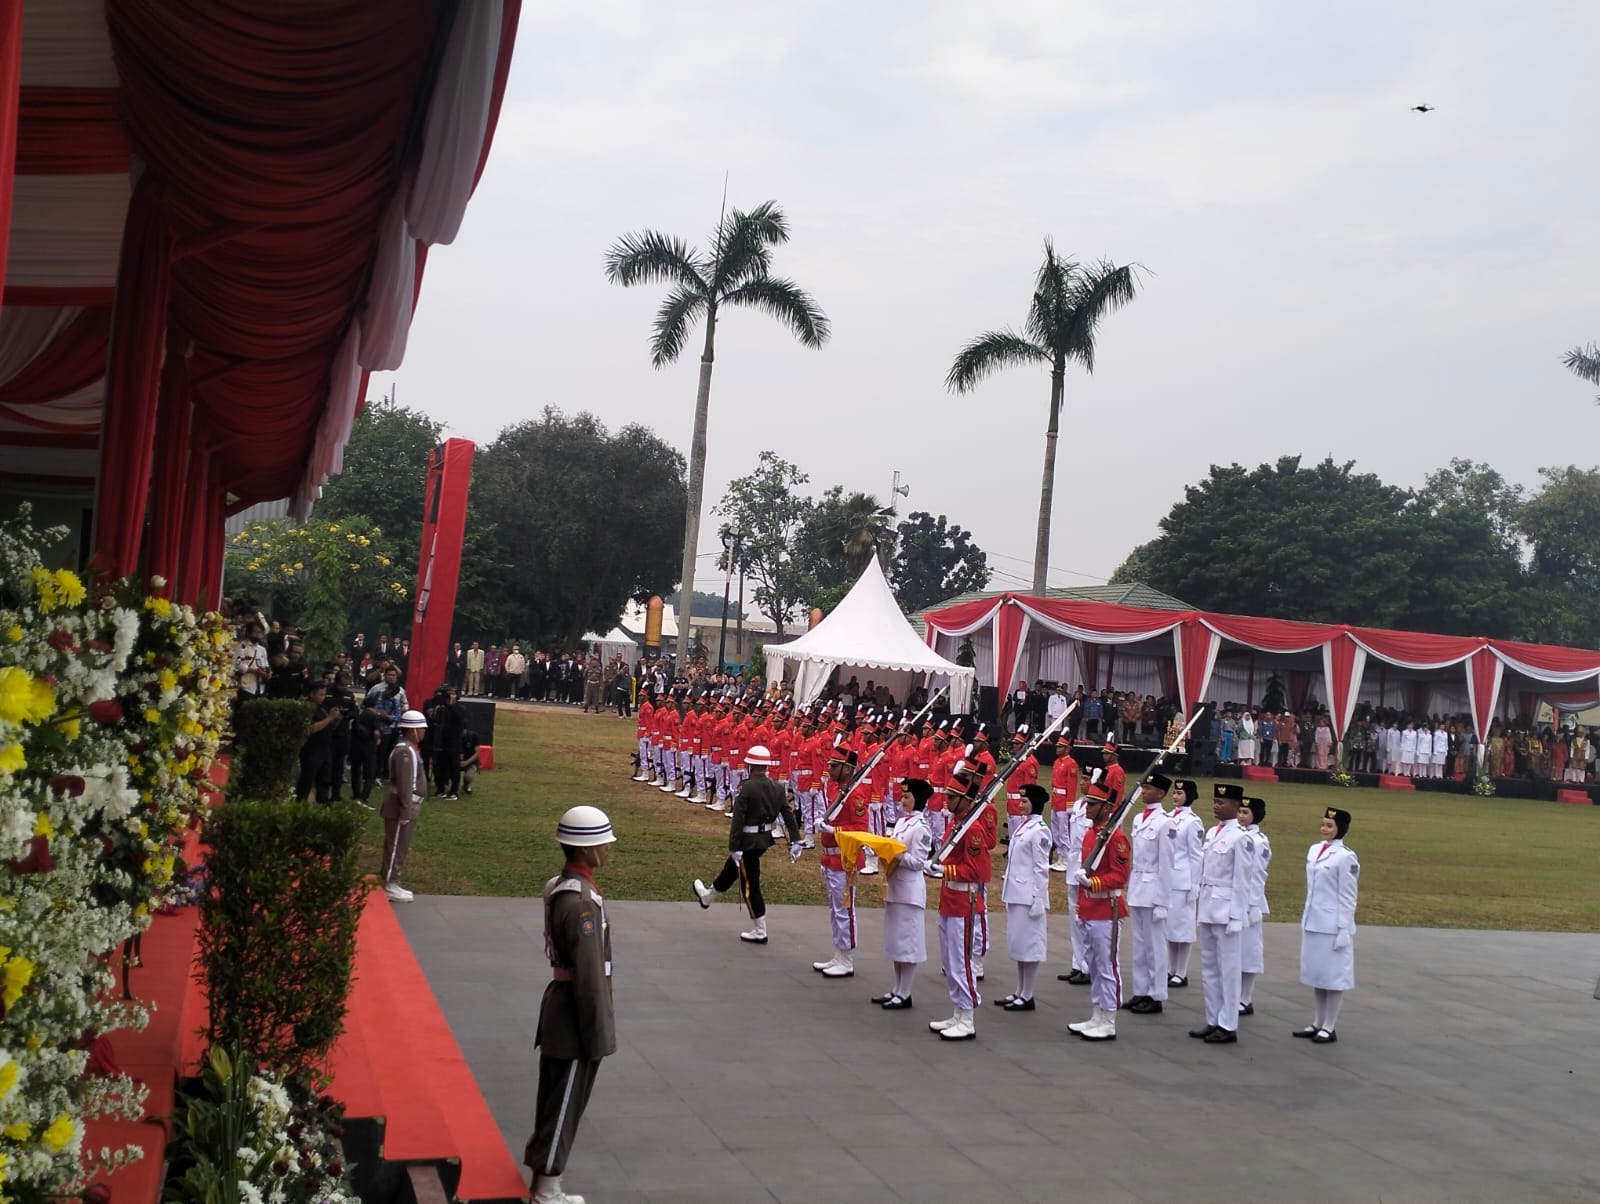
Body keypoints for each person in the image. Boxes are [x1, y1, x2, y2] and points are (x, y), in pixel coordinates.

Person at [524, 805, 617, 1204]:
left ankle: (544, 1176)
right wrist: (599, 1031)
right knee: (564, 1100)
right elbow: (590, 975)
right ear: (588, 850)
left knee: (556, 1095)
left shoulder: (565, 887)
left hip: (561, 1004)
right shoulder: (580, 902)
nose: (607, 851)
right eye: (602, 845)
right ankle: (547, 1186)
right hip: (575, 1012)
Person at [693, 744, 801, 944]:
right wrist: (795, 840)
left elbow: (738, 820)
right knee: (732, 870)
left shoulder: (746, 787)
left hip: (747, 842)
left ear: (750, 765)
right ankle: (708, 896)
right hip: (763, 840)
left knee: (750, 884)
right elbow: (788, 815)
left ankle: (760, 930)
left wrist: (734, 847)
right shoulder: (778, 787)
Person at [928, 757, 996, 1041]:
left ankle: (967, 1017)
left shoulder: (973, 830)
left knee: (961, 961)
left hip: (964, 903)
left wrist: (945, 869)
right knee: (949, 958)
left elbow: (979, 870)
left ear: (964, 800)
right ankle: (957, 1011)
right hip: (950, 898)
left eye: (952, 797)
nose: (946, 800)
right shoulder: (957, 824)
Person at [1065, 777, 1131, 1041]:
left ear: (1107, 807)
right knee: (1093, 963)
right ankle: (1097, 1014)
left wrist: (1093, 882)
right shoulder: (1092, 833)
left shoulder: (1116, 837)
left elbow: (1120, 875)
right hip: (1090, 905)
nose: (1087, 808)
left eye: (1093, 804)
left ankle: (1109, 1018)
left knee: (1107, 964)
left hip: (1108, 907)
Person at [1189, 783, 1255, 1045]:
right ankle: (1213, 1018)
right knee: (1209, 967)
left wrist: (1238, 916)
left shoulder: (1241, 838)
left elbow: (1242, 880)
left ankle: (1228, 1024)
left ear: (1237, 806)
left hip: (1227, 910)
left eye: (1222, 802)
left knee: (1228, 969)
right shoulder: (1212, 833)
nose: (1217, 806)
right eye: (1215, 801)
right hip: (1208, 906)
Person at [1297, 806, 1359, 1045]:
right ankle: (1317, 1021)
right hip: (1313, 920)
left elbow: (1348, 895)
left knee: (1333, 978)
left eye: (1330, 826)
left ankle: (1329, 1026)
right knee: (1317, 975)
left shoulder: (1346, 857)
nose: (1324, 829)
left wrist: (1344, 927)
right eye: (1323, 824)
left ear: (1340, 829)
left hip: (1332, 925)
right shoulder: (1314, 850)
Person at [871, 777, 935, 1010]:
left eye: (907, 796)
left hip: (910, 891)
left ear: (917, 800)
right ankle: (896, 988)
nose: (903, 800)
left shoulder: (921, 828)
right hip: (896, 887)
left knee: (908, 943)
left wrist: (895, 853)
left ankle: (905, 992)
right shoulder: (901, 823)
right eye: (902, 795)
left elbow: (919, 862)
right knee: (896, 942)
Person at [812, 744, 868, 977]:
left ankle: (847, 958)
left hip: (845, 860)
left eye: (835, 766)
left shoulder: (855, 794)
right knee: (835, 910)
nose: (830, 769)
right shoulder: (838, 789)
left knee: (845, 909)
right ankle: (839, 953)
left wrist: (834, 831)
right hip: (830, 858)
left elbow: (860, 828)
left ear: (847, 768)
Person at [995, 783, 1051, 1012]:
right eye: (1021, 801)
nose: (1020, 805)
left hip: (1029, 895)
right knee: (1019, 945)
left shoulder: (1040, 830)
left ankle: (1028, 994)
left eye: (1025, 802)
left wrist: (1039, 897)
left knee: (1030, 946)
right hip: (1017, 892)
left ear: (1035, 804)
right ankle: (1020, 990)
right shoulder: (1023, 826)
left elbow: (1041, 867)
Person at [1124, 772, 1173, 1015]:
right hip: (1138, 886)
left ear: (1161, 793)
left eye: (1149, 788)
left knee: (1155, 945)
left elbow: (1166, 863)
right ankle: (1141, 990)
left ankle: (1156, 994)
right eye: (1144, 787)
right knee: (1140, 944)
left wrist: (1163, 900)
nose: (1144, 791)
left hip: (1154, 888)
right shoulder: (1137, 819)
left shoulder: (1165, 822)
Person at [379, 710, 429, 901]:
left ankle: (393, 881)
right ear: (412, 730)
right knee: (395, 846)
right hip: (401, 807)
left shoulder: (409, 748)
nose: (423, 732)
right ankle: (389, 883)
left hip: (407, 806)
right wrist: (406, 810)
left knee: (400, 845)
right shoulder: (405, 752)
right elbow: (406, 784)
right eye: (421, 729)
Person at [1165, 779, 1205, 988]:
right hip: (1169, 879)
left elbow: (1196, 855)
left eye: (1180, 793)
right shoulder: (1168, 817)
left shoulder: (1192, 821)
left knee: (1183, 928)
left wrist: (1195, 884)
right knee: (1170, 928)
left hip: (1183, 880)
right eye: (1174, 792)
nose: (1176, 796)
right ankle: (1171, 969)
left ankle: (1182, 971)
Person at [1238, 796, 1272, 1017]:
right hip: (1235, 899)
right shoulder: (1237, 835)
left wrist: (1254, 905)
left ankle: (1245, 998)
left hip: (1250, 902)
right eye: (1239, 811)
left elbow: (1258, 875)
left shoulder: (1259, 841)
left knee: (1248, 952)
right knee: (1234, 951)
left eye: (1245, 813)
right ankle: (1235, 995)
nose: (1241, 816)